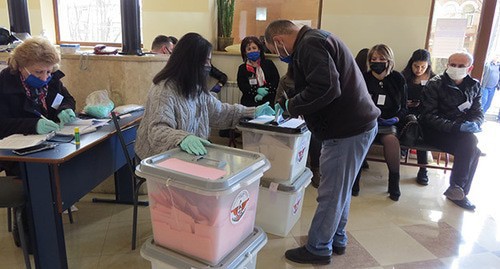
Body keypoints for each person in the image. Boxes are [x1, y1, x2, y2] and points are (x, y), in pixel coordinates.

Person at [265, 20, 379, 265]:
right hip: (356, 125)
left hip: (347, 130)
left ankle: (318, 248)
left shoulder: (309, 44)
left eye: (275, 51)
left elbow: (326, 88)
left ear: (279, 42)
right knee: (340, 188)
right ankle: (336, 238)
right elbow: (312, 83)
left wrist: (291, 106)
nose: (279, 56)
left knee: (330, 193)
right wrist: (289, 102)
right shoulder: (316, 39)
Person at [134, 33, 275, 160]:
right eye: (206, 61)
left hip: (186, 156)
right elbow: (157, 131)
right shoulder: (164, 89)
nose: (208, 66)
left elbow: (218, 111)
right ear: (189, 62)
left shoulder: (195, 88)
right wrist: (182, 138)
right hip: (158, 161)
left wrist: (252, 112)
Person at [0, 36, 77, 250]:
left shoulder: (51, 79)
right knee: (35, 181)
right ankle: (29, 234)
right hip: (16, 151)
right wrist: (32, 125)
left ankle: (51, 215)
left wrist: (64, 110)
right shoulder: (4, 85)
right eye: (38, 72)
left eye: (49, 71)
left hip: (49, 142)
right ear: (21, 67)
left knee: (69, 166)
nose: (45, 77)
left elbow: (67, 99)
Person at [420, 52, 482, 211]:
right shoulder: (435, 84)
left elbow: (477, 112)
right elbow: (428, 116)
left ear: (470, 68)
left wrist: (475, 123)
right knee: (472, 147)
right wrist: (456, 127)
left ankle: (458, 190)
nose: (456, 68)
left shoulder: (474, 85)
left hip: (459, 132)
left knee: (472, 146)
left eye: (461, 66)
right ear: (447, 65)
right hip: (435, 131)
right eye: (453, 64)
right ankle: (458, 190)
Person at [401, 49, 436, 185]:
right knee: (412, 122)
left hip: (424, 113)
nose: (419, 70)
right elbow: (397, 97)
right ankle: (404, 146)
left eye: (423, 67)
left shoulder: (434, 79)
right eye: (416, 66)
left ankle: (423, 170)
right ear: (411, 64)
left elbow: (435, 102)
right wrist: (405, 102)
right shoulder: (403, 77)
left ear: (428, 65)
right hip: (406, 112)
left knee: (422, 129)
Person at [237, 36, 280, 107]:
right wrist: (256, 90)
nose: (252, 51)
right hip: (249, 102)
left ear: (259, 49)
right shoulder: (242, 68)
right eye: (249, 49)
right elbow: (242, 86)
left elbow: (275, 81)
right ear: (245, 52)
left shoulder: (269, 64)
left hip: (269, 101)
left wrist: (265, 92)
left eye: (254, 48)